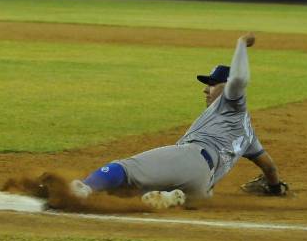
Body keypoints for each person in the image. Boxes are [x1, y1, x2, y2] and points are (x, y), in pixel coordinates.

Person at [69, 33, 288, 209]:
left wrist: (241, 44)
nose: (206, 89)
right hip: (202, 186)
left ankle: (84, 188)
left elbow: (239, 79)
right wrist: (276, 189)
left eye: (212, 84)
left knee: (125, 169)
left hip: (192, 158)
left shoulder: (231, 103)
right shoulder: (248, 132)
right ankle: (172, 197)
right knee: (132, 193)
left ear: (227, 87)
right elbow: (269, 167)